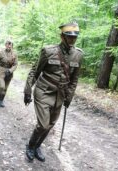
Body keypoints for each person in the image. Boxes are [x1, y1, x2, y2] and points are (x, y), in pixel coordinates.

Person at [24, 22, 84, 162]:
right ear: (62, 36)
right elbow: (35, 71)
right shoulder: (48, 51)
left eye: (74, 37)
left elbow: (74, 79)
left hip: (60, 95)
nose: (72, 40)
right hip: (43, 91)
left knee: (50, 125)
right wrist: (27, 90)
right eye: (69, 37)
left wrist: (69, 97)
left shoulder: (78, 55)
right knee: (43, 124)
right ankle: (31, 145)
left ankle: (38, 146)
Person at [0, 40, 18, 109]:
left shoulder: (14, 54)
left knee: (5, 88)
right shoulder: (1, 53)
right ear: (5, 45)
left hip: (9, 73)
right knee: (2, 87)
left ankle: (1, 101)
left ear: (12, 46)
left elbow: (16, 64)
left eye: (10, 45)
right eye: (8, 44)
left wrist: (10, 70)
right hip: (1, 72)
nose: (9, 46)